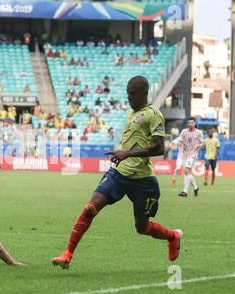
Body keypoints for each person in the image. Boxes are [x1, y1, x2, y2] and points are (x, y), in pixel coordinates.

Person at [52, 76, 183, 270]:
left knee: (142, 227)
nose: (128, 97)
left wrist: (128, 153)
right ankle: (68, 253)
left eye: (131, 93)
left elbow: (159, 148)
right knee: (91, 207)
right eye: (127, 92)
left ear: (143, 93)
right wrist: (123, 154)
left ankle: (173, 237)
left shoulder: (153, 114)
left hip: (142, 180)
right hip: (118, 174)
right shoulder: (132, 113)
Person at [176, 117, 203, 197]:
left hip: (193, 155)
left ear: (195, 123)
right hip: (184, 155)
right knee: (187, 173)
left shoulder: (198, 133)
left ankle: (185, 191)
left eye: (192, 122)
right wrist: (180, 143)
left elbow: (202, 142)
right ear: (187, 124)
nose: (190, 124)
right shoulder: (184, 131)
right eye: (189, 123)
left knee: (187, 171)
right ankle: (196, 187)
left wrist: (200, 146)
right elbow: (180, 140)